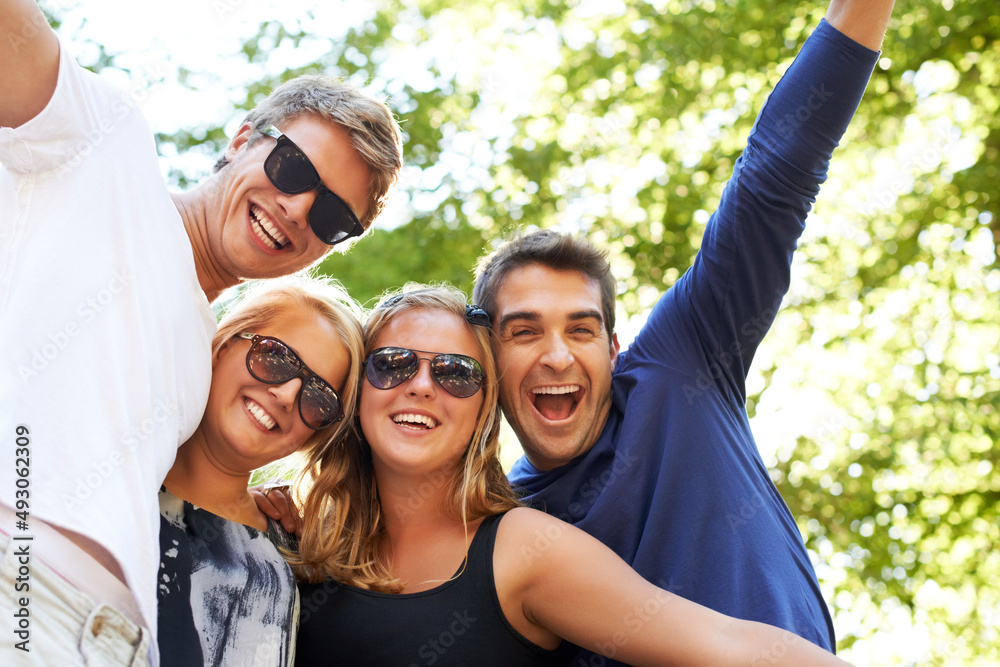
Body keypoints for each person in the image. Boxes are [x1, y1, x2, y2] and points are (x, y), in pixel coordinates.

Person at [470, 1, 895, 663]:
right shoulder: (497, 532)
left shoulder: (680, 368)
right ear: (488, 359)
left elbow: (774, 176)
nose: (557, 354)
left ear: (613, 349)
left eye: (581, 330)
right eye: (524, 332)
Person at [0, 0, 402, 663]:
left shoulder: (210, 353)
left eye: (332, 215)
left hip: (116, 639)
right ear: (244, 138)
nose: (297, 206)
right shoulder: (105, 149)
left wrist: (259, 510)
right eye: (293, 169)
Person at [291, 285, 852, 666]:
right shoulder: (301, 542)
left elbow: (724, 643)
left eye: (456, 373)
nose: (420, 385)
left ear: (484, 411)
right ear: (356, 387)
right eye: (392, 363)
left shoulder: (524, 549)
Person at [156, 276, 363, 666]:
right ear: (224, 343)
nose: (287, 395)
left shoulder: (300, 556)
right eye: (276, 357)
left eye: (318, 396)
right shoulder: (108, 481)